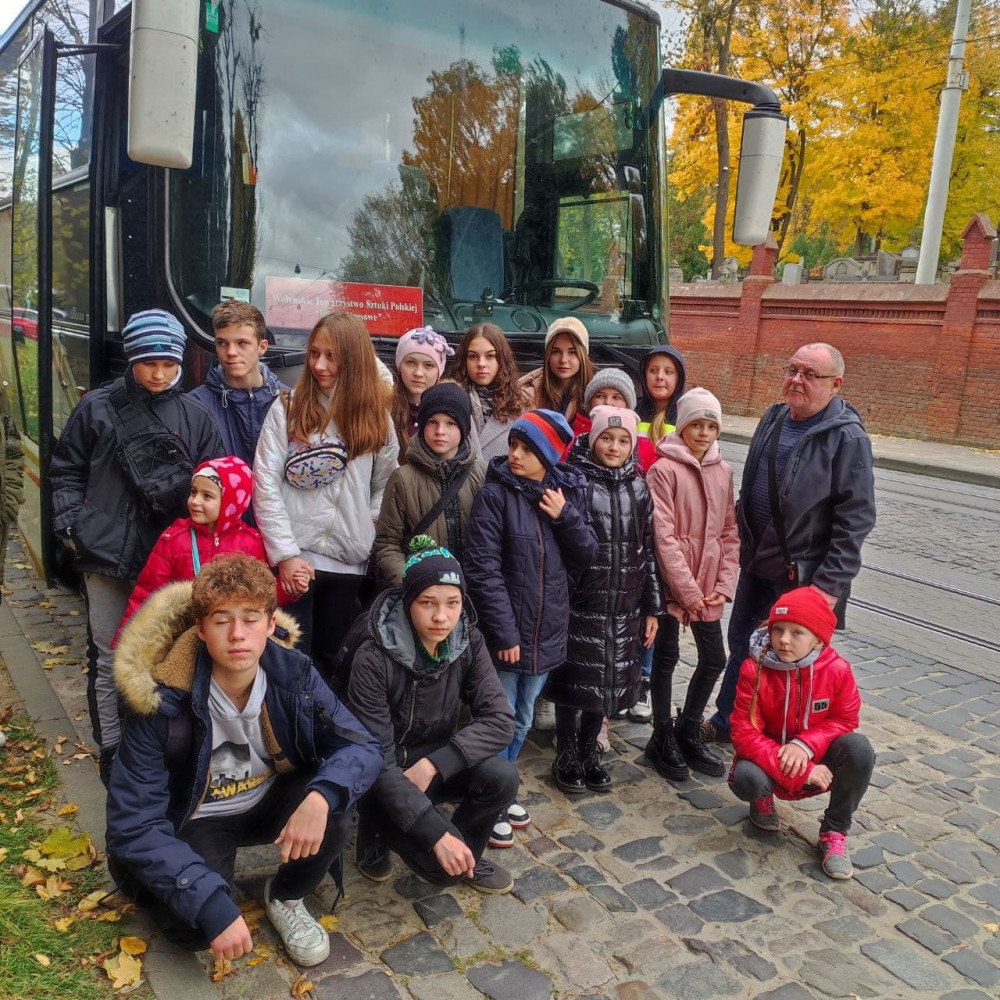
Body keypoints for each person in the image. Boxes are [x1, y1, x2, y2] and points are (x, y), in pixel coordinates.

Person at [106, 554, 381, 966]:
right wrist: (210, 902)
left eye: (251, 619)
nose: (237, 634)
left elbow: (361, 745)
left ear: (271, 624)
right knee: (194, 927)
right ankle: (202, 885)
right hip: (197, 815)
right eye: (221, 621)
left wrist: (322, 796)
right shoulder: (160, 699)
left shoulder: (294, 675)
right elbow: (134, 821)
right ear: (200, 629)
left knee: (337, 809)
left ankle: (285, 895)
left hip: (268, 799)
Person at [49, 309, 223, 782]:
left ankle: (162, 747)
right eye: (149, 363)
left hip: (168, 559)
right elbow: (66, 469)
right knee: (108, 655)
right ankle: (111, 750)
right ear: (131, 358)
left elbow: (214, 484)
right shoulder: (97, 408)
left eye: (169, 364)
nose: (159, 374)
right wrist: (72, 527)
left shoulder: (195, 416)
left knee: (170, 655)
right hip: (104, 557)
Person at [704, 342, 876, 744]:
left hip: (803, 577)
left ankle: (784, 741)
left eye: (809, 374)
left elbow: (856, 519)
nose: (796, 380)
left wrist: (829, 586)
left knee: (791, 659)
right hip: (756, 561)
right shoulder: (774, 417)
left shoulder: (847, 438)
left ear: (836, 384)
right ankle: (730, 722)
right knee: (744, 644)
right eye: (792, 370)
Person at [345, 537, 518, 892]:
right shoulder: (372, 657)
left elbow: (500, 720)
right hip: (382, 772)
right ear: (408, 601)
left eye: (453, 603)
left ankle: (467, 855)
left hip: (434, 760)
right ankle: (374, 832)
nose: (442, 617)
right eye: (428, 603)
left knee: (502, 776)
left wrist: (436, 764)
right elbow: (375, 756)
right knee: (440, 870)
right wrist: (435, 831)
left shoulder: (468, 641)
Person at [464, 409, 599, 847]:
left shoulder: (565, 494)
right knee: (499, 718)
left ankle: (501, 789)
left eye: (527, 448)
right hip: (508, 634)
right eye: (513, 445)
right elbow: (483, 569)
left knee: (522, 717)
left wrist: (565, 517)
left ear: (549, 455)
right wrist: (505, 634)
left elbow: (587, 555)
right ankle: (488, 799)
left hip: (547, 633)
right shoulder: (495, 495)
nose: (515, 454)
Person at [253, 312, 398, 679]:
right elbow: (265, 483)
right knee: (290, 664)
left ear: (354, 359)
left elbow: (386, 482)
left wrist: (370, 524)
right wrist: (286, 554)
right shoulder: (288, 407)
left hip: (348, 563)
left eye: (331, 356)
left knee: (336, 665)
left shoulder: (377, 416)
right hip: (297, 564)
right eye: (314, 353)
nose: (319, 365)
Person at [545, 406, 661, 794]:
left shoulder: (639, 488)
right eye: (607, 438)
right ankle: (566, 750)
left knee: (605, 681)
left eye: (623, 440)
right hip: (581, 601)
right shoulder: (575, 482)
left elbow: (648, 549)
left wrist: (652, 607)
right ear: (593, 439)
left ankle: (589, 748)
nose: (614, 446)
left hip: (623, 605)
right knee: (573, 679)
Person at [729, 587, 874, 879]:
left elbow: (845, 719)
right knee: (745, 777)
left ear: (818, 638)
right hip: (772, 759)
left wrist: (804, 746)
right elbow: (744, 731)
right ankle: (762, 798)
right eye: (778, 629)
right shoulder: (753, 670)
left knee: (859, 749)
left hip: (817, 759)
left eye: (797, 632)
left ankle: (834, 832)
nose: (783, 639)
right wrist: (799, 769)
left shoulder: (837, 670)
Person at [645, 389, 739, 780]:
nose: (703, 433)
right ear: (682, 427)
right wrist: (687, 591)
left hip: (709, 585)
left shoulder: (724, 471)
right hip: (674, 585)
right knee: (666, 659)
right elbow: (662, 536)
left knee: (714, 658)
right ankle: (661, 734)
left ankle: (689, 728)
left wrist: (724, 584)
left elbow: (730, 532)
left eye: (711, 426)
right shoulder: (663, 470)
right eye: (696, 425)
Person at [115, 457, 296, 639]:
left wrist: (290, 587)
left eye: (207, 496)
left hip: (234, 636)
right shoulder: (173, 540)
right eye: (193, 492)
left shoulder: (251, 543)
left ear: (230, 502)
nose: (195, 501)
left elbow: (263, 594)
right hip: (185, 636)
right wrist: (127, 639)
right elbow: (147, 594)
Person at [374, 382, 485, 586]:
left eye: (450, 423)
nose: (440, 431)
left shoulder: (482, 474)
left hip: (474, 593)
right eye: (432, 422)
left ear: (463, 428)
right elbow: (387, 544)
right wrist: (413, 585)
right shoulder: (403, 479)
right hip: (422, 593)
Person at [188, 301, 284, 473]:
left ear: (262, 347)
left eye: (242, 343)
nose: (231, 352)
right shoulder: (194, 405)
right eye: (222, 343)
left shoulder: (288, 401)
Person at [450, 322, 528, 461]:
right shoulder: (451, 399)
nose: (481, 364)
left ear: (501, 359)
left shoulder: (520, 405)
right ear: (464, 360)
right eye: (473, 356)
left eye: (490, 356)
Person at [519, 317, 595, 436]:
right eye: (556, 352)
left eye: (572, 352)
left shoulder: (598, 396)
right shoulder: (526, 394)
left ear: (583, 355)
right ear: (548, 355)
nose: (563, 360)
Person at [390, 326, 454, 463]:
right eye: (411, 363)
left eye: (428, 365)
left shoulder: (452, 409)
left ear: (439, 371)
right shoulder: (383, 410)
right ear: (399, 366)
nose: (418, 373)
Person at [635, 345, 687, 470]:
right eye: (653, 370)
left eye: (668, 372)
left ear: (679, 378)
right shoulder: (632, 411)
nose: (659, 376)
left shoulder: (686, 417)